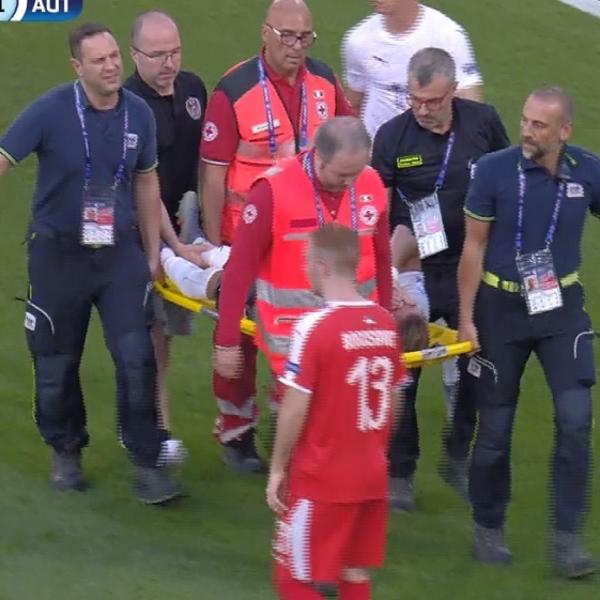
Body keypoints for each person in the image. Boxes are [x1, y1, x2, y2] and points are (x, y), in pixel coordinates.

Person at [0, 23, 182, 503]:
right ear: (77, 67)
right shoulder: (50, 110)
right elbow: (4, 156)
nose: (111, 66)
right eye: (99, 60)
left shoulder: (138, 113)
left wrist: (151, 255)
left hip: (118, 254)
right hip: (58, 254)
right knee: (56, 364)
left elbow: (146, 182)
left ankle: (146, 461)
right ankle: (66, 449)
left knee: (137, 357)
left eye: (114, 56)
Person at [200, 0, 355, 471]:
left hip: (307, 244)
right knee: (241, 340)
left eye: (305, 37)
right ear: (265, 33)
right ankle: (235, 430)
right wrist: (216, 247)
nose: (296, 46)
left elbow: (349, 144)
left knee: (300, 337)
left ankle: (287, 423)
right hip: (246, 237)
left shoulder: (324, 81)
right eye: (287, 36)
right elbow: (212, 174)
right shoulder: (235, 89)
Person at [458, 86, 598, 578]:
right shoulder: (494, 170)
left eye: (539, 125)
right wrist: (467, 317)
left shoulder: (587, 171)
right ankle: (488, 524)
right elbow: (473, 248)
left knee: (577, 420)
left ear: (564, 131)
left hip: (562, 309)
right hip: (501, 309)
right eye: (525, 120)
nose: (526, 131)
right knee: (495, 429)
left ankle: (567, 539)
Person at [371, 47, 510, 511]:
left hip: (471, 266)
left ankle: (458, 450)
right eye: (414, 99)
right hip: (416, 269)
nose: (422, 109)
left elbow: (507, 185)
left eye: (432, 100)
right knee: (405, 366)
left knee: (477, 364)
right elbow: (377, 215)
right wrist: (386, 276)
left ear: (453, 91)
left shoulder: (483, 123)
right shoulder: (392, 137)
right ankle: (400, 472)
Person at [214, 117, 393, 444]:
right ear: (318, 157)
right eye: (342, 175)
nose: (350, 183)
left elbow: (382, 256)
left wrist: (387, 321)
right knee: (305, 419)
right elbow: (239, 268)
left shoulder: (370, 182)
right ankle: (286, 462)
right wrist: (227, 341)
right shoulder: (272, 191)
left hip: (353, 327)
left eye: (356, 173)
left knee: (343, 419)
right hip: (291, 331)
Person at [267, 223, 405, 600]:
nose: (304, 269)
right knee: (353, 572)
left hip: (322, 476)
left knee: (294, 576)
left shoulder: (313, 327)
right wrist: (375, 448)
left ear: (323, 267)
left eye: (306, 261)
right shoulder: (386, 323)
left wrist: (278, 468)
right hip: (371, 474)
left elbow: (294, 407)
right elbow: (394, 398)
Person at [124, 10, 208, 435]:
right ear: (134, 55)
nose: (169, 63)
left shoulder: (193, 89)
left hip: (184, 229)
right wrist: (166, 246)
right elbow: (144, 183)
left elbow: (206, 163)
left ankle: (152, 426)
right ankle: (156, 429)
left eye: (174, 52)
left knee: (165, 333)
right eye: (157, 55)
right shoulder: (127, 106)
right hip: (139, 232)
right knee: (149, 334)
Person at [342, 0, 483, 137]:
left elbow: (470, 104)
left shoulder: (448, 36)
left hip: (428, 145)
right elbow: (354, 103)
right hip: (376, 145)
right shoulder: (359, 40)